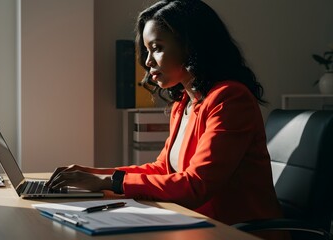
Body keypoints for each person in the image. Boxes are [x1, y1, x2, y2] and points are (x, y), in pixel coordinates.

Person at [47, 0, 284, 238]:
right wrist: (90, 174)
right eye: (147, 50)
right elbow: (163, 169)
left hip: (236, 233)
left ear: (191, 46)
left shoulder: (230, 98)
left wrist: (107, 181)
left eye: (157, 47)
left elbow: (196, 184)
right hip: (194, 225)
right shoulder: (184, 103)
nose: (147, 61)